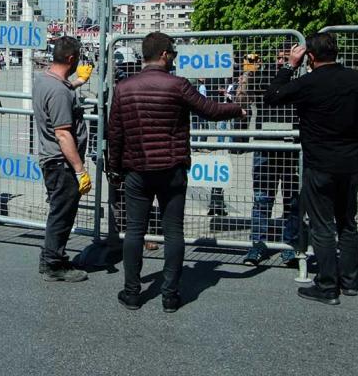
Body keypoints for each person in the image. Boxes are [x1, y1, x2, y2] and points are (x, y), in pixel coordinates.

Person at [108, 33, 245, 312]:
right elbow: (211, 110)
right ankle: (170, 296)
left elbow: (115, 133)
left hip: (137, 169)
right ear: (164, 54)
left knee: (135, 231)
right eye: (173, 54)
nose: (175, 59)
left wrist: (114, 168)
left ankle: (132, 292)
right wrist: (238, 109)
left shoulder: (124, 88)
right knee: (173, 232)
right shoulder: (178, 85)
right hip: (172, 169)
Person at [265, 33, 358, 305]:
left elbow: (272, 96)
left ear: (310, 57)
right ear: (336, 53)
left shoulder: (308, 82)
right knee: (348, 222)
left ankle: (327, 285)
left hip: (320, 164)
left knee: (322, 225)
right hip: (351, 163)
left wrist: (290, 65)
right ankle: (349, 281)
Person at [32, 36, 94, 282]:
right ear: (71, 59)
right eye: (78, 58)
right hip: (62, 162)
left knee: (59, 210)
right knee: (62, 213)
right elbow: (62, 133)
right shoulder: (58, 90)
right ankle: (53, 264)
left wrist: (78, 82)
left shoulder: (45, 80)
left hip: (53, 160)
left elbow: (59, 93)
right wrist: (79, 169)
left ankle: (51, 255)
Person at [242, 49, 302, 267]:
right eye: (279, 57)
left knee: (292, 200)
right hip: (265, 146)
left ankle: (289, 247)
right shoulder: (263, 74)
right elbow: (244, 98)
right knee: (262, 199)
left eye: (286, 58)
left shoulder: (301, 78)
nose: (281, 61)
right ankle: (257, 246)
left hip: (292, 147)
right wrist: (247, 74)